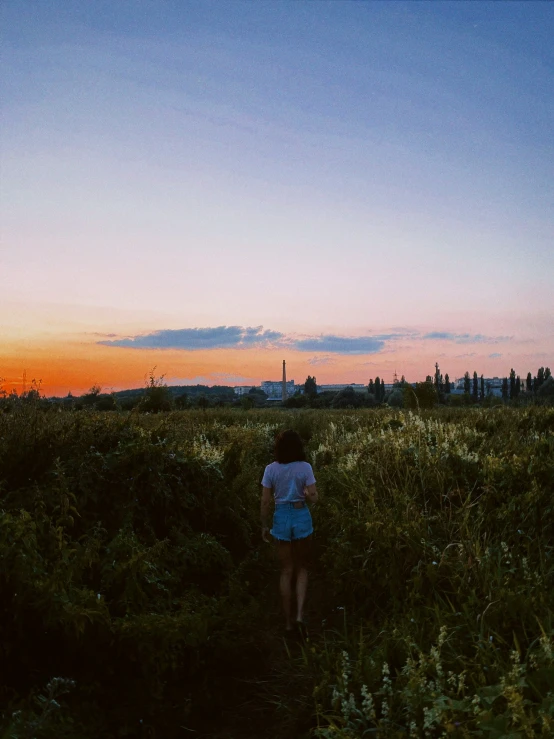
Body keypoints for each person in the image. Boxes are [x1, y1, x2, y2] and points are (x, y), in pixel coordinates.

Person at [260, 429, 318, 638]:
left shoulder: (270, 469)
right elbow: (313, 497)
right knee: (302, 567)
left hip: (281, 516)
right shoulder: (305, 467)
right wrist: (305, 493)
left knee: (286, 570)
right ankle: (300, 616)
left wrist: (264, 524)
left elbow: (266, 501)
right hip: (301, 513)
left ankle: (287, 623)